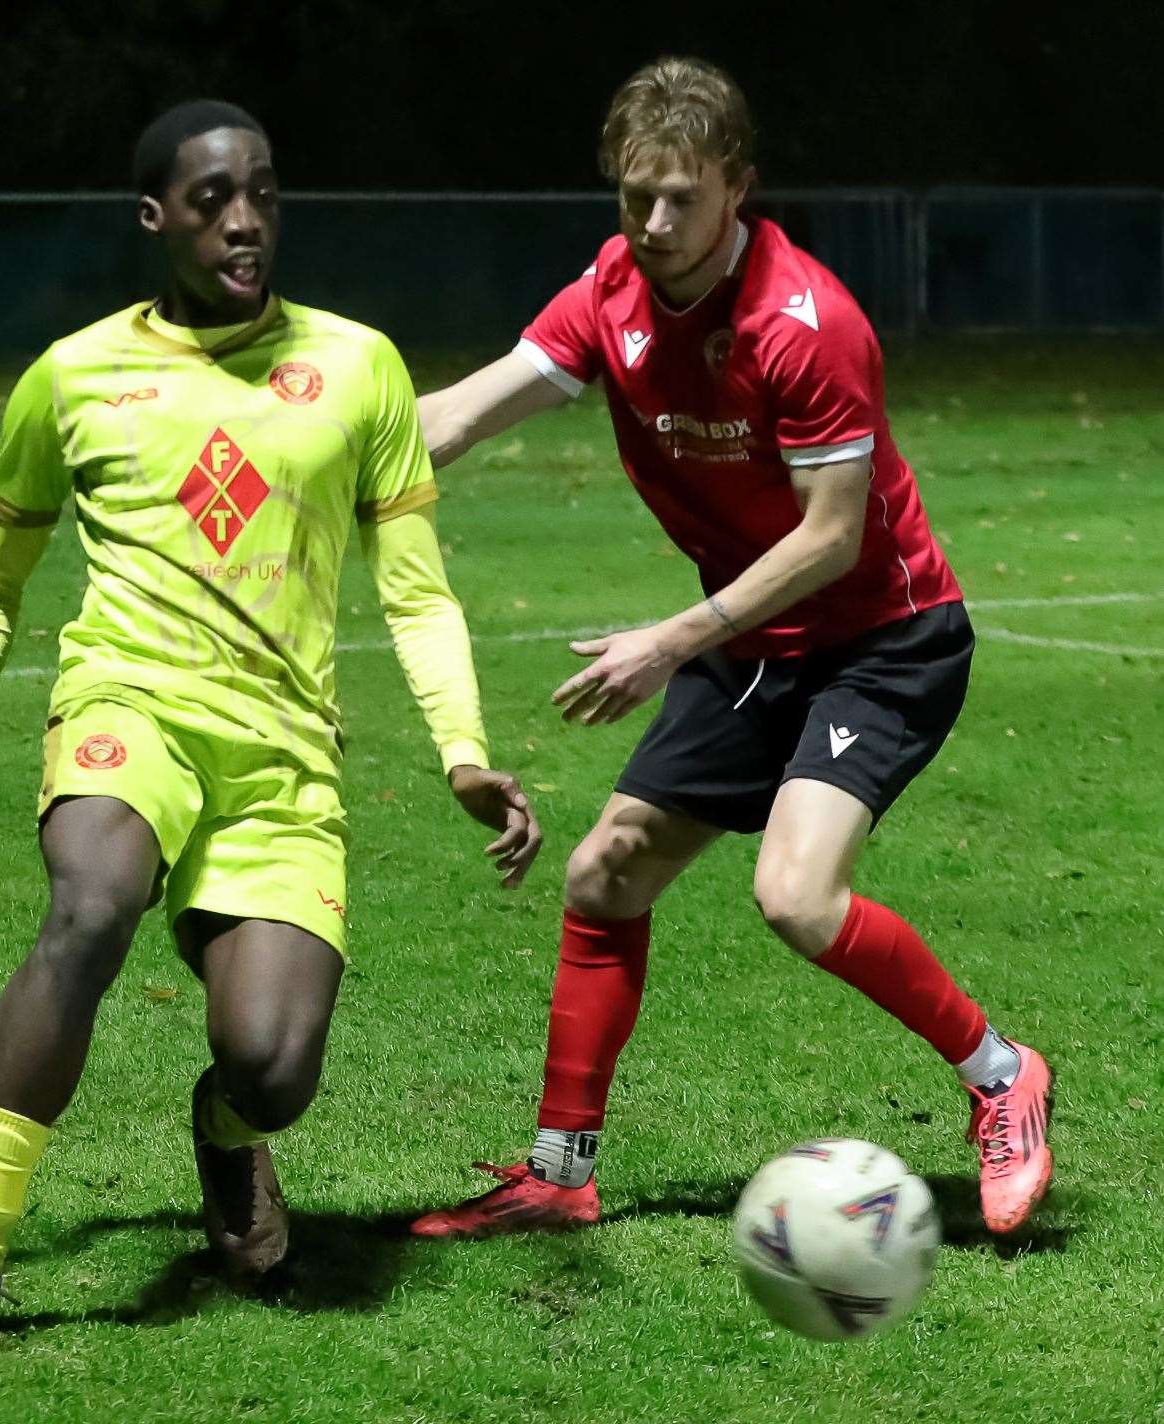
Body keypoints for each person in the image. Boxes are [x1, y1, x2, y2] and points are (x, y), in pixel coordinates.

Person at [0, 99, 541, 1361]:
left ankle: (229, 1129)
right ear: (155, 218)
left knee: (274, 1061)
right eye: (209, 201)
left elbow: (414, 586)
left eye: (261, 192)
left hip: (281, 755)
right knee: (90, 904)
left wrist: (462, 750)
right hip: (127, 706)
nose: (243, 221)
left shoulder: (359, 366)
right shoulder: (73, 375)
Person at [408, 57, 1052, 1243]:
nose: (653, 225)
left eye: (680, 199)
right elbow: (457, 412)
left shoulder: (803, 325)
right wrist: (317, 453)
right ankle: (558, 1170)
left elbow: (828, 536)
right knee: (606, 872)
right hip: (754, 634)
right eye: (633, 196)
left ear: (736, 190)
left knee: (794, 893)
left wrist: (668, 639)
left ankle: (1000, 1073)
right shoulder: (609, 292)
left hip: (881, 638)